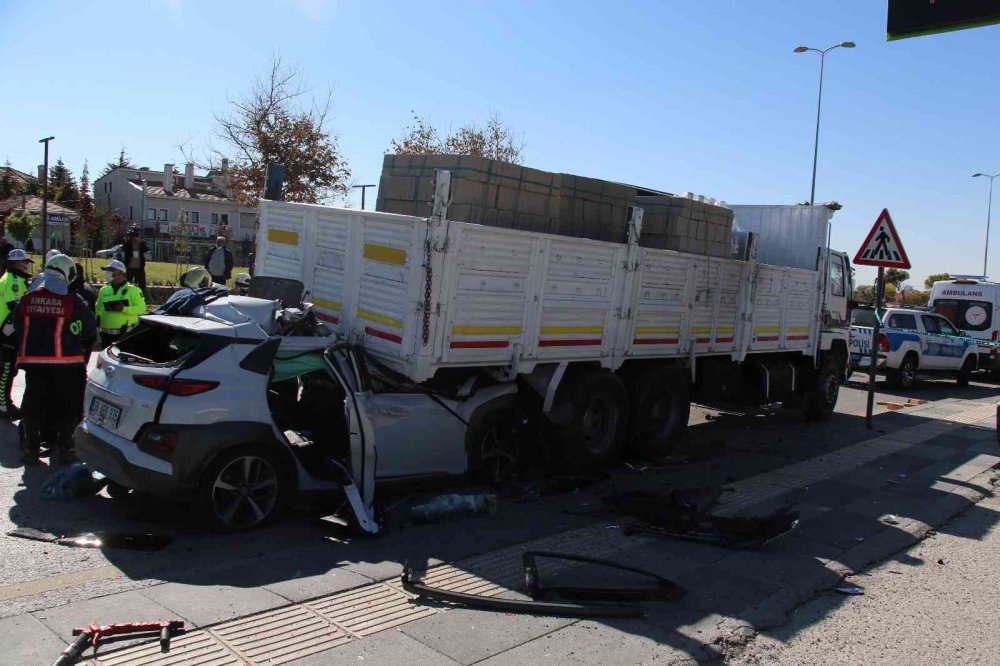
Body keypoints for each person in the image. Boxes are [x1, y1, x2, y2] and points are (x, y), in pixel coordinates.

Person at [14, 254, 97, 465]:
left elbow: (18, 326)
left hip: (33, 364)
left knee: (33, 406)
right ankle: (66, 450)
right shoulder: (72, 301)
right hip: (65, 364)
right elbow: (89, 330)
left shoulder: (26, 299)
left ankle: (30, 450)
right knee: (67, 408)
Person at [0, 249, 33, 419]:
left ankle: (5, 402)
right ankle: (3, 405)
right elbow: (15, 307)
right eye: (24, 262)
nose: (27, 265)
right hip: (7, 331)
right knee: (6, 370)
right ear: (15, 263)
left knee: (9, 369)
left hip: (10, 331)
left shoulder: (17, 279)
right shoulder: (12, 280)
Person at [95, 259, 146, 348]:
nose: (107, 273)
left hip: (124, 335)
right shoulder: (104, 290)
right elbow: (98, 308)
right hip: (105, 335)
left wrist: (124, 309)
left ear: (120, 273)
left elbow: (141, 309)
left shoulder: (133, 290)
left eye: (110, 270)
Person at [122, 227, 150, 295]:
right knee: (126, 284)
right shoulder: (127, 242)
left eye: (136, 235)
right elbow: (124, 249)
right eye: (133, 235)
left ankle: (142, 296)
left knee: (142, 285)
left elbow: (146, 250)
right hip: (129, 267)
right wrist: (129, 240)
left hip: (139, 267)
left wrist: (140, 242)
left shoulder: (142, 242)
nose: (135, 237)